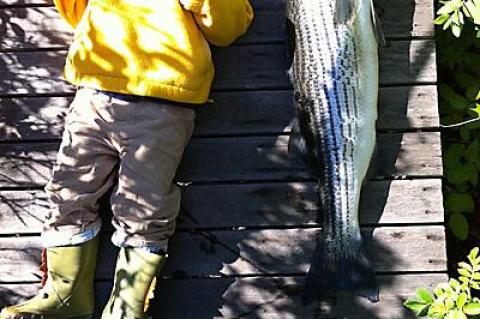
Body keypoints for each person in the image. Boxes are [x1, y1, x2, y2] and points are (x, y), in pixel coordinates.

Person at [0, 0, 253, 318]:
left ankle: (127, 305)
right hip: (93, 93)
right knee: (68, 194)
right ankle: (66, 295)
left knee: (145, 206)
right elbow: (76, 13)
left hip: (164, 103)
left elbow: (229, 28)